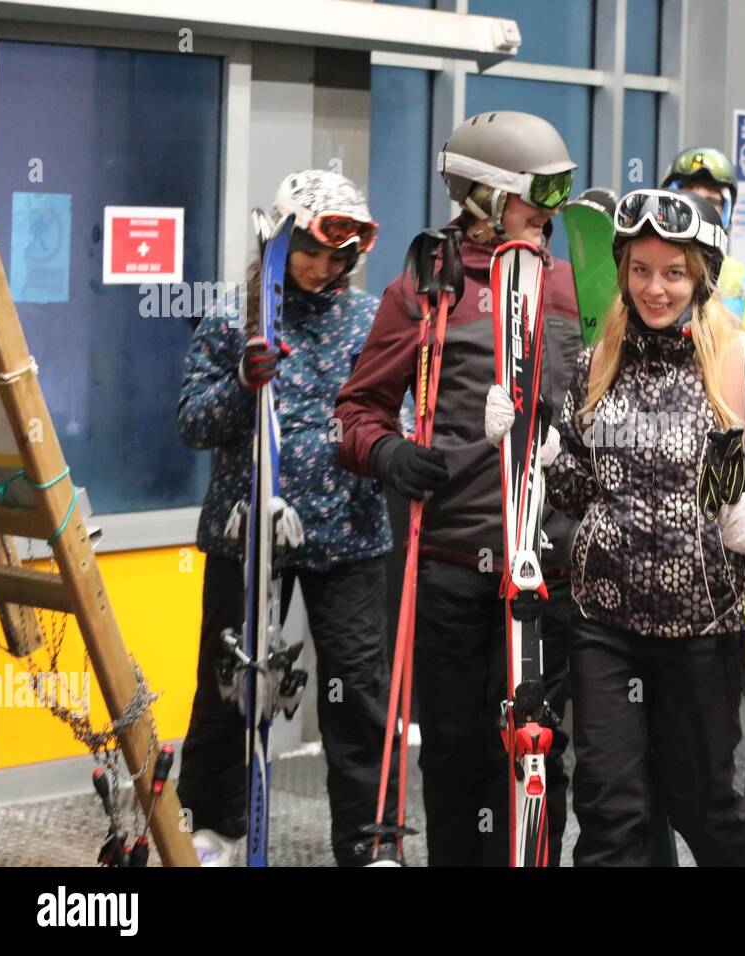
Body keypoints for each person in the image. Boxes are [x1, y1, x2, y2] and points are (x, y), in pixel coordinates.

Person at [486, 188, 745, 865]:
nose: (655, 288)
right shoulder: (598, 359)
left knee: (704, 804)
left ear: (701, 275)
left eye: (673, 272)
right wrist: (536, 448)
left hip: (705, 631)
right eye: (640, 270)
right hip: (606, 623)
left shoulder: (742, 362)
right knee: (609, 806)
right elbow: (577, 487)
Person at [334, 111, 582, 867]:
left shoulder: (570, 287)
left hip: (544, 561)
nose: (548, 215)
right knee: (452, 751)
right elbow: (356, 410)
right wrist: (388, 454)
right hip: (447, 560)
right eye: (535, 199)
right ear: (484, 195)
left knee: (537, 748)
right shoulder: (426, 285)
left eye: (556, 202)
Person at [176, 170, 397, 866]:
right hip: (249, 532)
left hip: (349, 534)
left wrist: (404, 448)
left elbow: (395, 412)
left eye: (339, 259)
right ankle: (214, 822)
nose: (324, 268)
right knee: (228, 682)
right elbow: (191, 423)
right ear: (280, 239)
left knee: (356, 692)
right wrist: (245, 381)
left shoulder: (369, 321)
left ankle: (369, 840)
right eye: (310, 252)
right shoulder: (229, 317)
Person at [660, 146, 745, 365]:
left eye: (711, 202)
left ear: (728, 212)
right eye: (688, 197)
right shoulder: (642, 270)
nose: (698, 209)